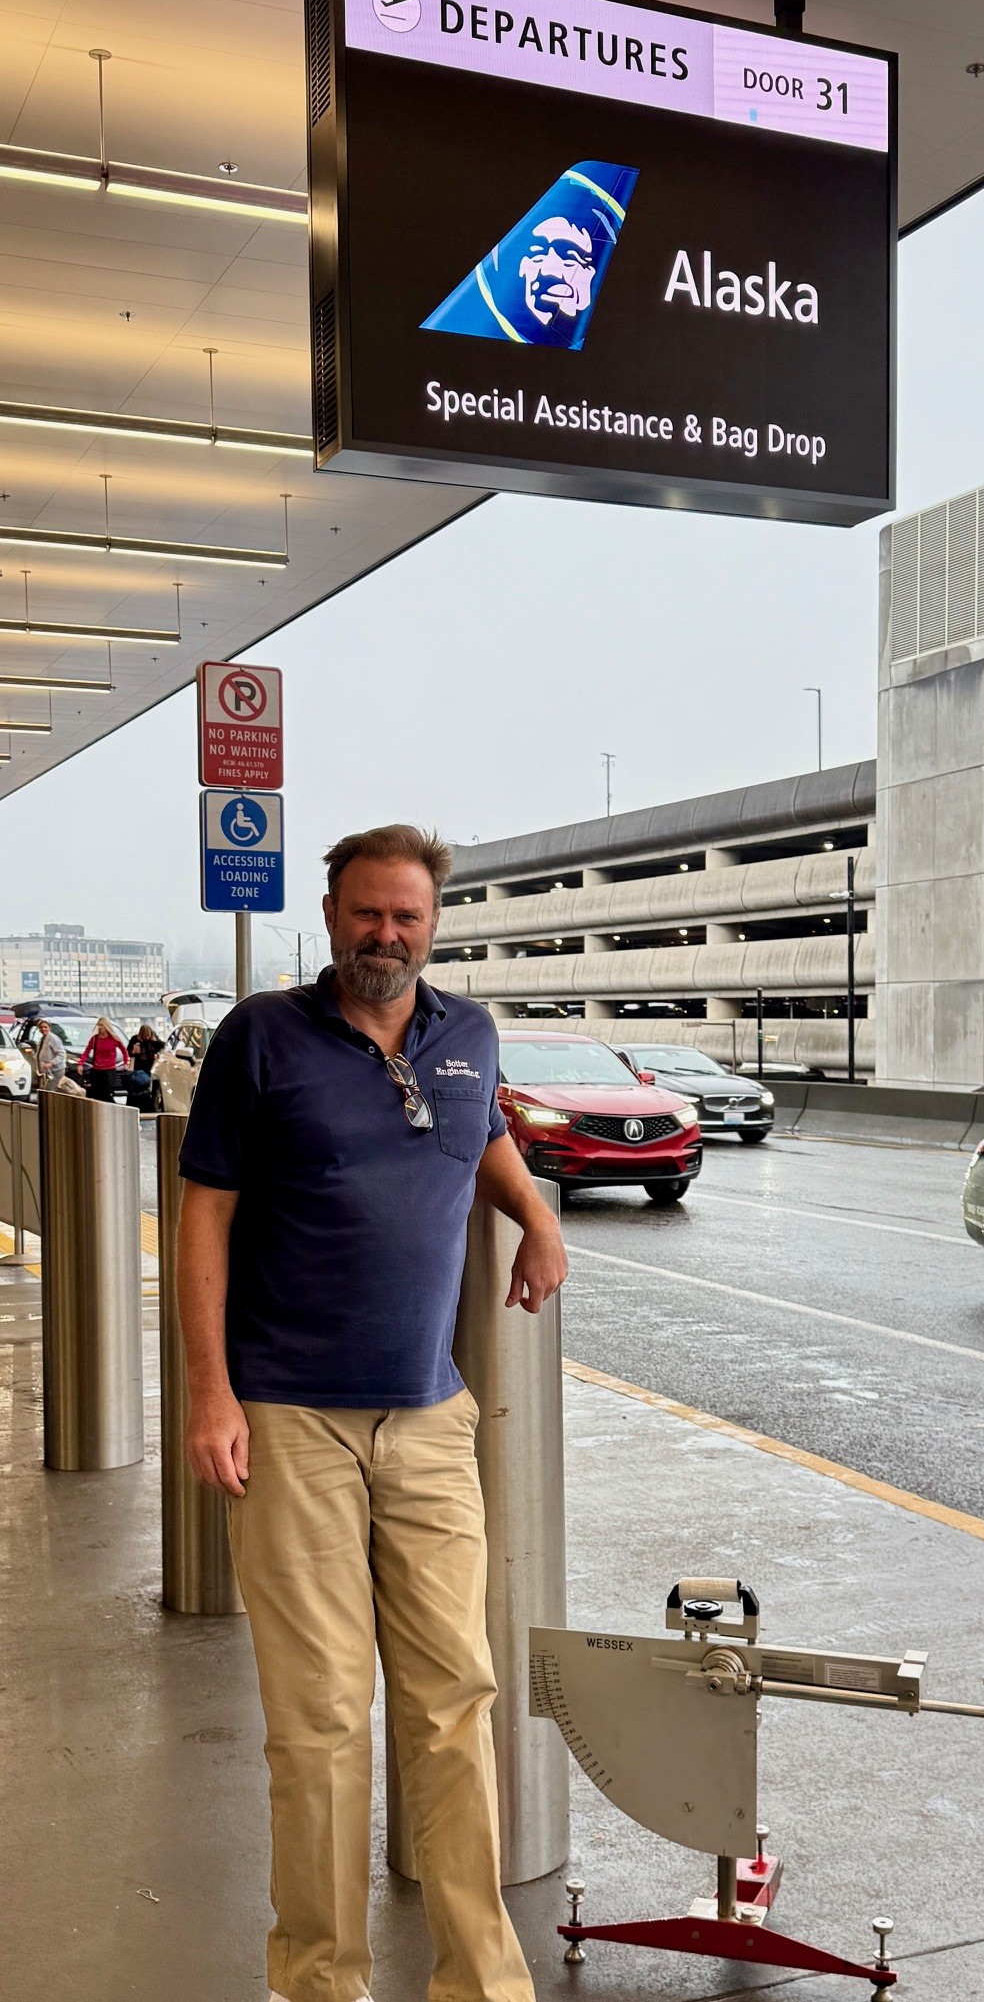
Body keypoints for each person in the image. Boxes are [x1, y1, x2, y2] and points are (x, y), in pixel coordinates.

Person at [176, 824, 568, 2002]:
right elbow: (204, 1216)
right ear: (332, 913)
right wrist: (210, 1393)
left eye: (407, 917)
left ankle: (481, 1981)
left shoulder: (467, 1034)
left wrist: (538, 1217)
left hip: (429, 1417)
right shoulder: (263, 1038)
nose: (385, 936)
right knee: (321, 1718)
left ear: (433, 924)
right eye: (365, 914)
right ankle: (319, 1979)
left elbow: (480, 1134)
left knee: (457, 1698)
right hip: (291, 1417)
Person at [78, 1017, 129, 1101]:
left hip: (109, 1070)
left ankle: (113, 1109)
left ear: (106, 1026)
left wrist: (126, 1062)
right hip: (97, 1070)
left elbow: (124, 1050)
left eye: (102, 1025)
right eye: (99, 1025)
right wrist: (81, 1064)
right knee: (96, 1093)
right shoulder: (95, 1039)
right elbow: (86, 1051)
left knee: (107, 1093)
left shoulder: (114, 1038)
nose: (100, 1027)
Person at [127, 1022, 163, 1108]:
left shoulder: (154, 1041)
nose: (147, 1038)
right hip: (139, 1065)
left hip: (150, 1065)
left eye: (148, 1036)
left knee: (149, 1084)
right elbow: (128, 1051)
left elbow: (163, 1046)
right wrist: (133, 1052)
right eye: (145, 1036)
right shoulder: (135, 1040)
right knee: (140, 1082)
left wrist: (155, 1041)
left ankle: (148, 1103)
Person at [35, 1019, 67, 1092]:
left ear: (49, 1028)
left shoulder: (53, 1038)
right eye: (41, 1027)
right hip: (46, 1072)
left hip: (56, 1071)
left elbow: (61, 1054)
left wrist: (51, 1063)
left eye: (45, 1027)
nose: (43, 1029)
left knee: (50, 1091)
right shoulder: (42, 1039)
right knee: (45, 1090)